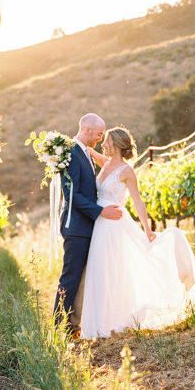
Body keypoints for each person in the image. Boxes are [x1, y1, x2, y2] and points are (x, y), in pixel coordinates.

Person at [80, 127, 195, 339]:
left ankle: (114, 320)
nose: (103, 145)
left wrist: (147, 229)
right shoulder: (105, 163)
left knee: (114, 269)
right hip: (101, 222)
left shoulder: (127, 171)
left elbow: (137, 201)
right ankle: (99, 323)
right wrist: (70, 144)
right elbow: (88, 150)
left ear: (116, 144)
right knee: (100, 268)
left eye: (106, 141)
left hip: (115, 224)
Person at [54, 113, 122, 338]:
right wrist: (101, 211)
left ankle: (73, 326)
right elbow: (71, 193)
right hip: (76, 227)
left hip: (87, 227)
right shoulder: (72, 153)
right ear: (87, 130)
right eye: (99, 134)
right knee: (71, 277)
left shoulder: (84, 152)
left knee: (82, 279)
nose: (100, 139)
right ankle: (58, 329)